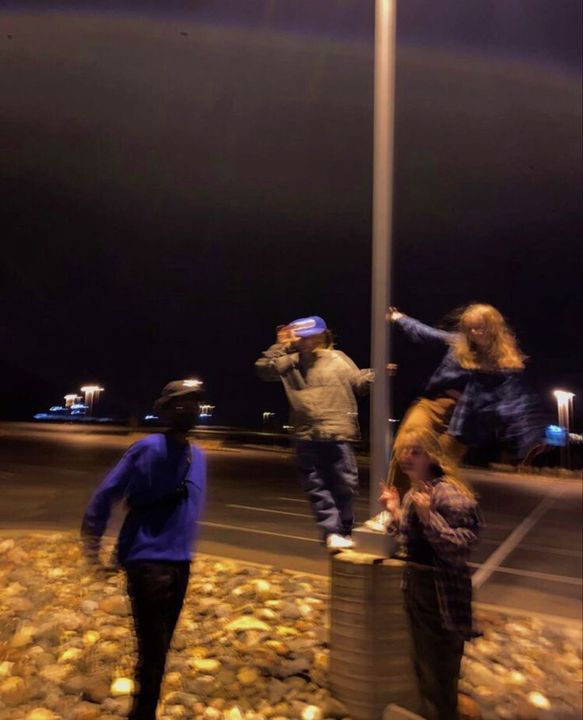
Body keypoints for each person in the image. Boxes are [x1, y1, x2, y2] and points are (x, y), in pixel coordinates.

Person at [81, 380, 206, 720]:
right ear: (164, 411)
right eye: (179, 404)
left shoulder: (199, 456)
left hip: (181, 564)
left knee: (159, 649)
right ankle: (143, 713)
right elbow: (105, 496)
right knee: (152, 652)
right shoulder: (146, 448)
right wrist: (93, 545)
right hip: (147, 564)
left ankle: (145, 708)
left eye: (193, 403)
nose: (187, 410)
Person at [386, 303, 544, 494]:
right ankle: (392, 503)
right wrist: (400, 319)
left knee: (438, 466)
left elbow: (517, 404)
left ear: (493, 329)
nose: (475, 333)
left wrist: (529, 441)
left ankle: (430, 512)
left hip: (464, 420)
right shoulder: (458, 343)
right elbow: (427, 333)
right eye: (470, 329)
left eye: (480, 328)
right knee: (407, 444)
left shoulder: (505, 365)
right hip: (433, 404)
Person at [379, 426, 480, 720]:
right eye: (403, 450)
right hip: (419, 589)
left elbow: (461, 547)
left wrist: (429, 517)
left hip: (440, 593)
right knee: (425, 667)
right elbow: (410, 541)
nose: (407, 457)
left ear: (432, 456)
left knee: (439, 670)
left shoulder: (448, 492)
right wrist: (395, 511)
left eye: (416, 451)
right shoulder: (416, 492)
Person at [255, 316, 373, 551]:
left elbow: (359, 384)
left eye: (311, 336)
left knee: (345, 484)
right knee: (316, 484)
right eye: (301, 337)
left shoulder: (338, 359)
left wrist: (376, 375)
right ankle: (331, 531)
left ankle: (344, 529)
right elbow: (263, 369)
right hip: (306, 434)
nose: (306, 342)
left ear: (322, 336)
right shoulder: (290, 362)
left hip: (338, 430)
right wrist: (280, 345)